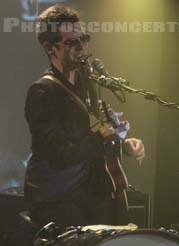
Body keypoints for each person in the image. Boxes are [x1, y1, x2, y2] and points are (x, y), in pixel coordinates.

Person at [24, 5, 145, 228]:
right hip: (58, 195)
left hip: (88, 191)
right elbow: (56, 155)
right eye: (71, 42)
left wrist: (122, 143)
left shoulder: (86, 85)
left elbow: (90, 134)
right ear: (50, 47)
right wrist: (99, 137)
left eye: (84, 39)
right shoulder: (43, 92)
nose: (81, 47)